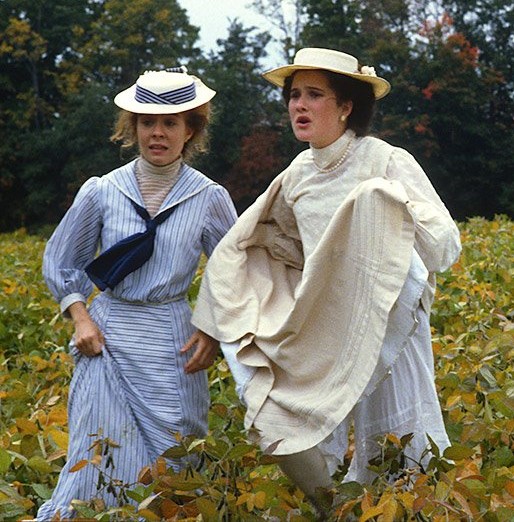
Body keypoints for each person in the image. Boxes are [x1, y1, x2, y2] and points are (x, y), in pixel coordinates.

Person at [191, 48, 461, 510]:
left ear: (346, 106)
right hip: (327, 327)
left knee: (399, 450)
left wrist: (388, 207)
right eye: (294, 95)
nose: (299, 105)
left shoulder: (386, 161)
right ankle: (334, 511)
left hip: (390, 328)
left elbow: (445, 246)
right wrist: (217, 321)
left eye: (314, 94)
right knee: (281, 421)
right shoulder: (295, 174)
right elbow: (255, 242)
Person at [38, 67, 237, 519]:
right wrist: (81, 319)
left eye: (170, 123)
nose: (157, 133)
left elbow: (235, 270)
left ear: (190, 130)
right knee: (98, 450)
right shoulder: (104, 191)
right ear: (133, 128)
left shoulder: (208, 197)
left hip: (172, 339)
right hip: (107, 338)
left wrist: (213, 328)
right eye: (147, 122)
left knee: (175, 453)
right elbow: (62, 260)